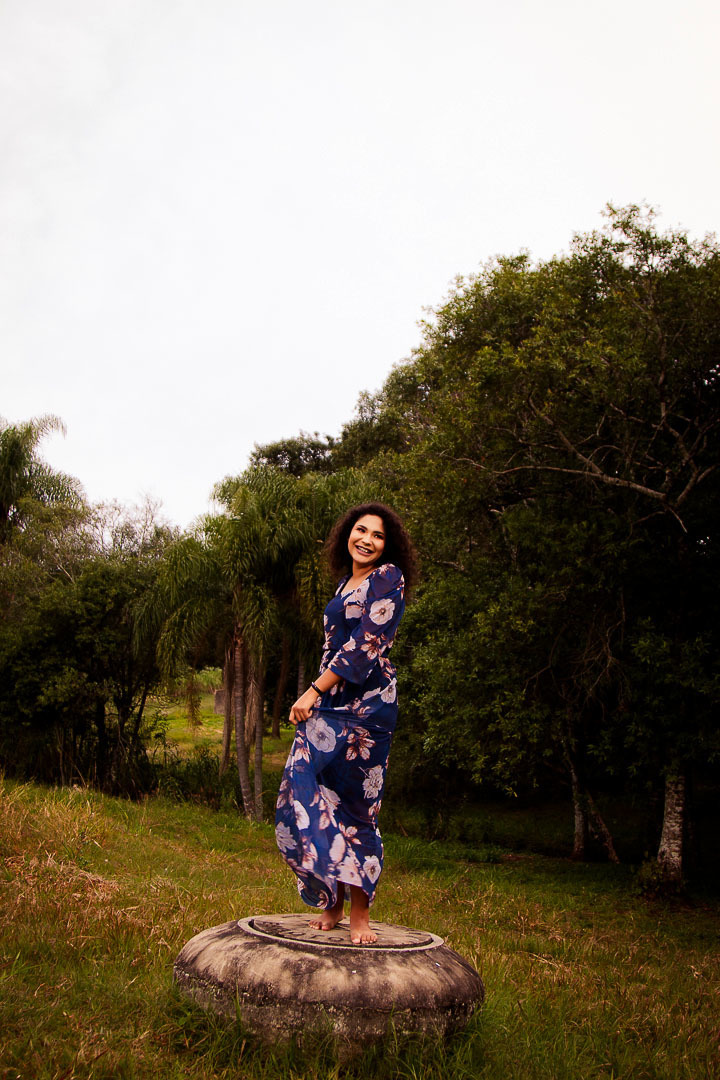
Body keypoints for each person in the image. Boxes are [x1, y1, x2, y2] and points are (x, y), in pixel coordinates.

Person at [275, 502, 417, 945]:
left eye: (378, 535)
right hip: (332, 702)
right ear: (347, 534)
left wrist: (311, 691)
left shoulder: (388, 577)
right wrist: (320, 696)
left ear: (387, 546)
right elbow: (331, 646)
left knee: (358, 807)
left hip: (369, 706)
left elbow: (365, 644)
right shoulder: (344, 584)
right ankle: (331, 900)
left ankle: (359, 912)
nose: (367, 540)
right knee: (315, 789)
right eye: (361, 530)